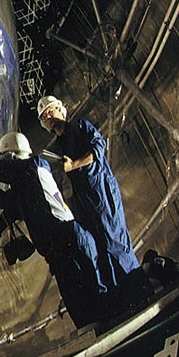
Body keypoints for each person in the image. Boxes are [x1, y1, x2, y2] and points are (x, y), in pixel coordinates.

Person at [0, 133, 107, 327]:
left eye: (4, 160)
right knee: (85, 310)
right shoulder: (30, 183)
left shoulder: (31, 166)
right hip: (65, 247)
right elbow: (2, 199)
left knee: (94, 308)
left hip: (67, 243)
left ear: (11, 157)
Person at [38, 96, 139, 296]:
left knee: (115, 242)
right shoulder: (59, 146)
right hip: (85, 204)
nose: (48, 116)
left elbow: (98, 148)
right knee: (101, 251)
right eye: (44, 116)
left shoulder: (80, 126)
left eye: (50, 111)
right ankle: (122, 297)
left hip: (101, 195)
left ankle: (137, 289)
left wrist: (74, 164)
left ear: (61, 109)